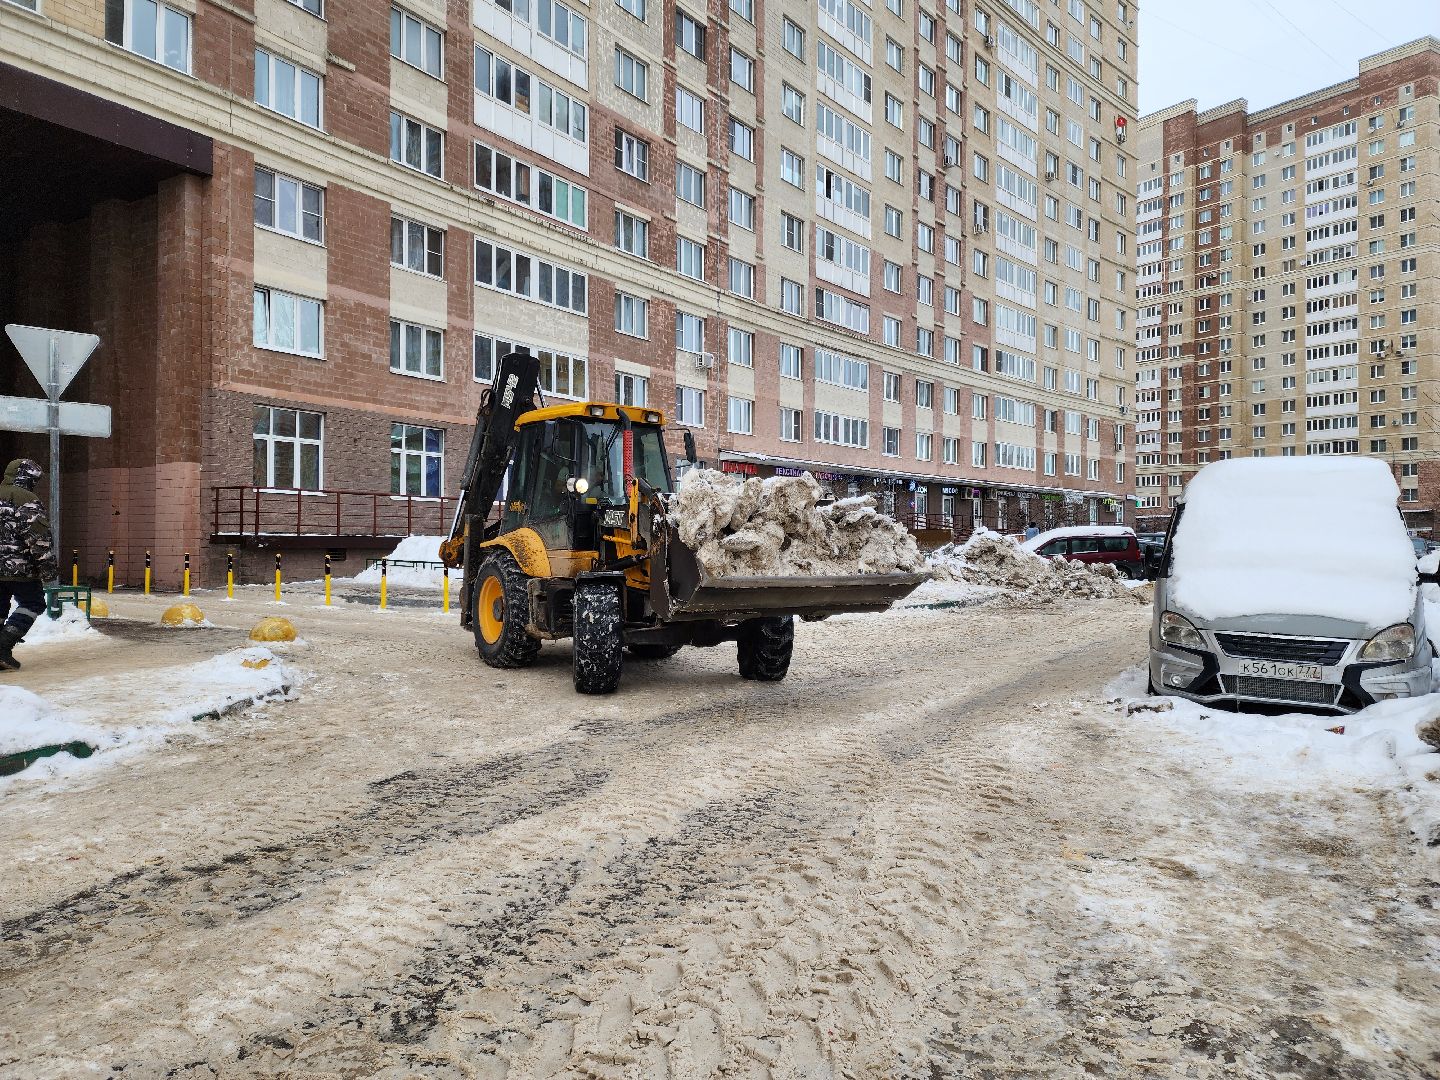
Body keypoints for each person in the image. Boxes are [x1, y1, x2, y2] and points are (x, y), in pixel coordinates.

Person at [0, 458, 58, 672]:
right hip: (20, 568)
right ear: (27, 477)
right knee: (33, 603)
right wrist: (48, 570)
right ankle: (3, 646)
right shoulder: (25, 498)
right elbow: (38, 538)